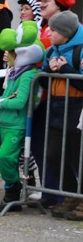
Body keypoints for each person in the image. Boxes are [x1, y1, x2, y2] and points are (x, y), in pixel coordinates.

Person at [0, 39, 43, 212]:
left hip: (16, 123)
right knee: (8, 159)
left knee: (4, 157)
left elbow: (20, 102)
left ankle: (13, 189)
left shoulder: (27, 74)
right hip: (6, 121)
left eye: (10, 51)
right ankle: (15, 191)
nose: (5, 53)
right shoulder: (14, 71)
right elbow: (9, 95)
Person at [40, 11, 83, 219]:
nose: (49, 32)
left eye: (54, 30)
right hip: (57, 108)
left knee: (79, 157)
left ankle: (81, 199)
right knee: (53, 155)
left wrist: (66, 68)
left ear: (65, 33)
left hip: (78, 109)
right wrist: (49, 69)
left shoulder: (80, 50)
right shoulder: (51, 51)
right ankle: (70, 193)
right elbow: (42, 80)